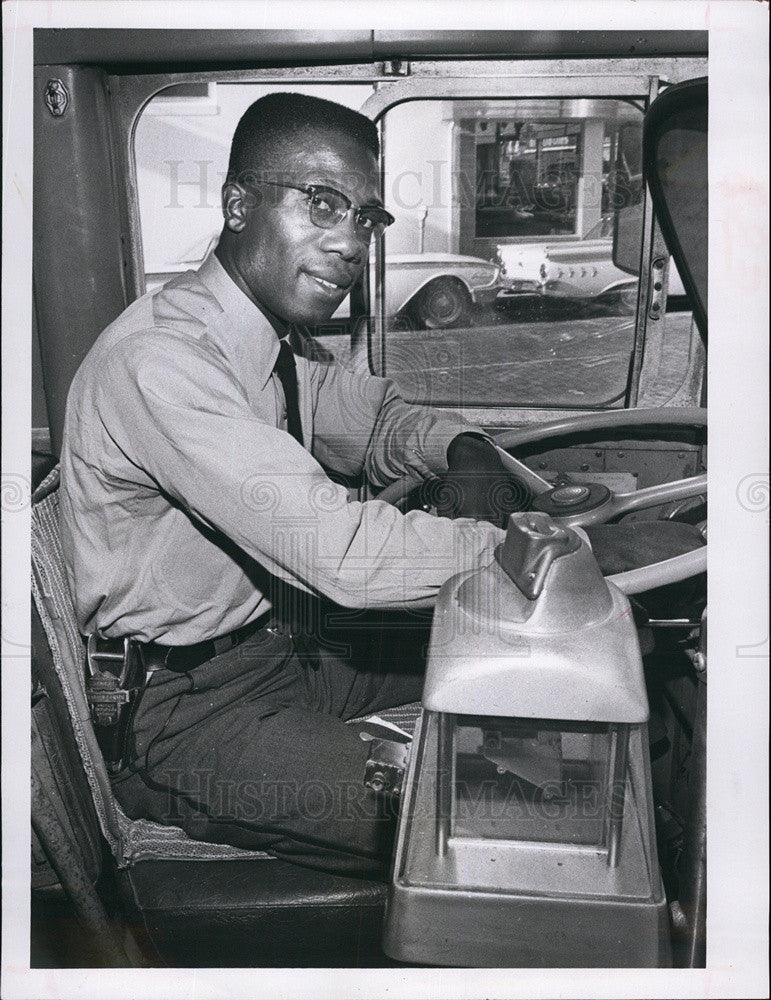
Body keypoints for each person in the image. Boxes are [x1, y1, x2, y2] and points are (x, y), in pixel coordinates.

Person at [59, 92, 522, 877]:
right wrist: (537, 552)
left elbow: (375, 419)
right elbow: (340, 553)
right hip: (188, 708)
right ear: (237, 205)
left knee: (515, 662)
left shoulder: (278, 343)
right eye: (321, 205)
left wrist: (466, 449)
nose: (348, 243)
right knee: (496, 819)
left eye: (366, 218)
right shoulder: (163, 361)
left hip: (285, 647)